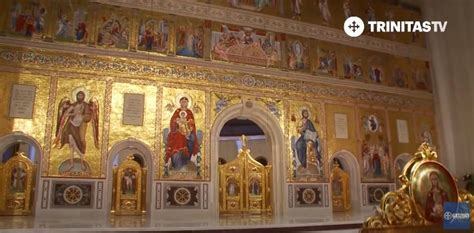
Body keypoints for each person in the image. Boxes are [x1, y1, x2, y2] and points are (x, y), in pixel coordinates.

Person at [54, 91, 99, 171]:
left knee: (81, 140)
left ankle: (82, 161)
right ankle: (71, 163)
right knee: (71, 143)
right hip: (71, 124)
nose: (80, 97)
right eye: (79, 95)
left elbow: (89, 116)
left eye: (81, 95)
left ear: (84, 97)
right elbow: (66, 114)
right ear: (77, 97)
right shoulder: (73, 105)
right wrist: (73, 114)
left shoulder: (85, 105)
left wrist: (81, 116)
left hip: (82, 124)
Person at [165, 97, 200, 170]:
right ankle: (177, 162)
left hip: (188, 131)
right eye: (182, 101)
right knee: (178, 137)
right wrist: (176, 121)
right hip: (178, 130)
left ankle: (187, 159)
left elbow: (192, 123)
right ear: (180, 102)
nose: (184, 103)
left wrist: (189, 125)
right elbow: (173, 121)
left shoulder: (189, 112)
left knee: (192, 138)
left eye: (185, 102)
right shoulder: (177, 111)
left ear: (187, 103)